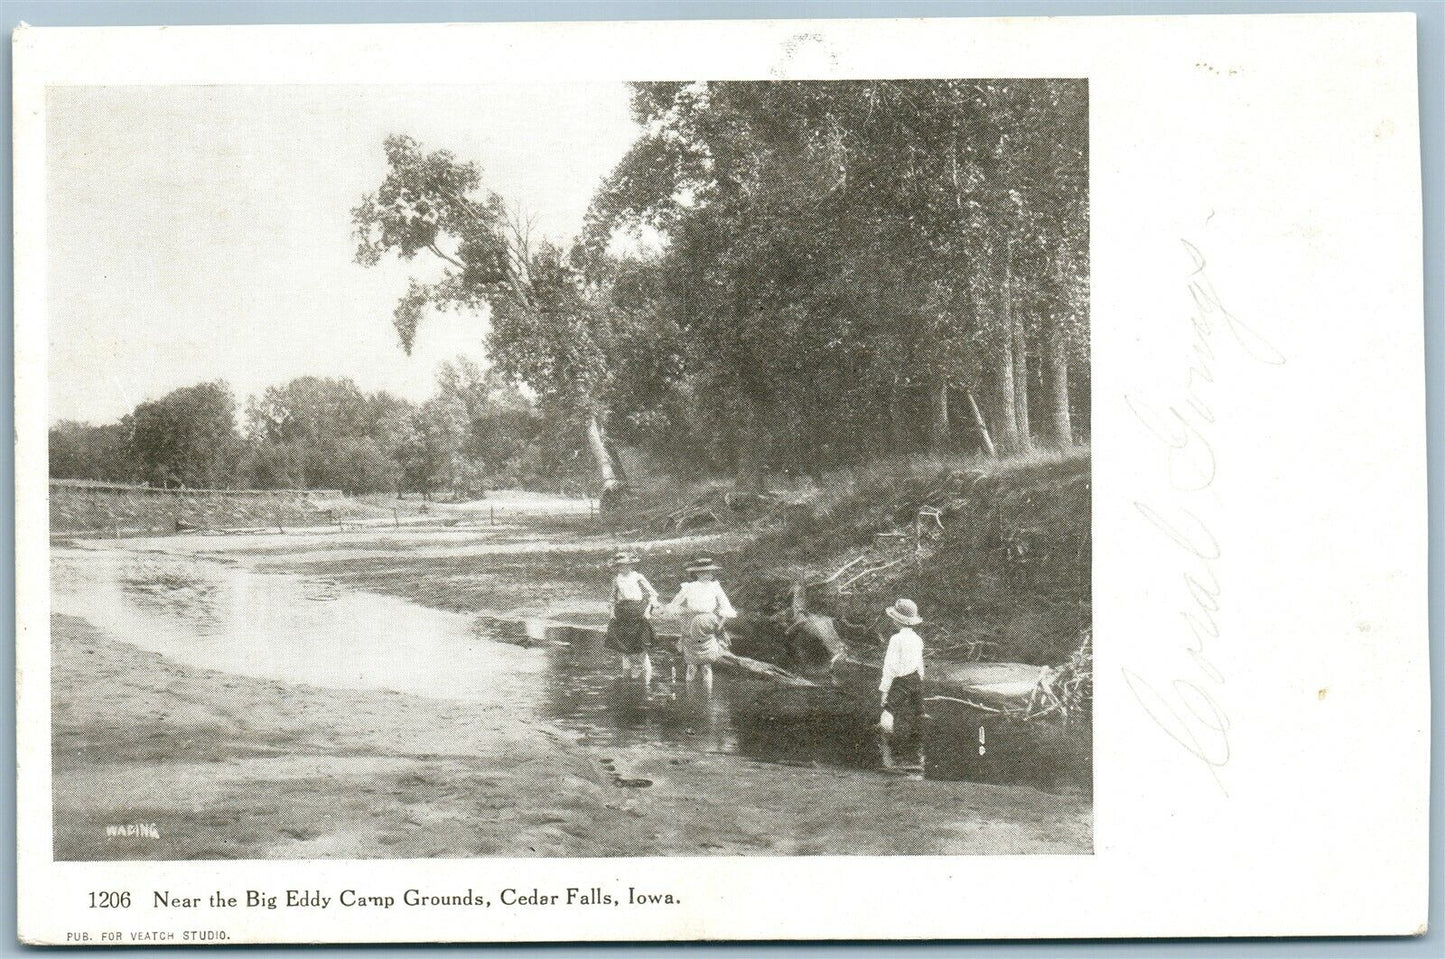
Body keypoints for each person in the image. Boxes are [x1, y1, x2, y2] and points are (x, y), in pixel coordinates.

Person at [665, 557, 736, 686]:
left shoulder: (715, 586)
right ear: (696, 574)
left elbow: (726, 606)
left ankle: (707, 692)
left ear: (712, 573)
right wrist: (685, 611)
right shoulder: (689, 587)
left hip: (708, 625)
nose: (706, 575)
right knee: (691, 664)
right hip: (691, 624)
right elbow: (674, 604)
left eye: (709, 572)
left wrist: (720, 627)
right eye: (702, 572)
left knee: (706, 664)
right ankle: (690, 691)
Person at [878, 598, 926, 771]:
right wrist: (919, 682)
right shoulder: (917, 639)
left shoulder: (896, 639)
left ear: (897, 621)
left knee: (887, 712)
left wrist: (884, 690)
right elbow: (920, 664)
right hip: (916, 679)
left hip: (901, 680)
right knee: (919, 714)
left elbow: (890, 667)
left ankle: (887, 759)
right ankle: (919, 757)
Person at [603, 552, 659, 678]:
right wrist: (612, 612)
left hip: (637, 612)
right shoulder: (617, 579)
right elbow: (612, 598)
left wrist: (648, 610)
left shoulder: (637, 577)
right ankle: (626, 680)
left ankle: (647, 679)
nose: (624, 568)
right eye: (620, 566)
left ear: (631, 565)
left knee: (641, 646)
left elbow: (653, 594)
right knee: (624, 648)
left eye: (626, 565)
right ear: (617, 567)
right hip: (622, 613)